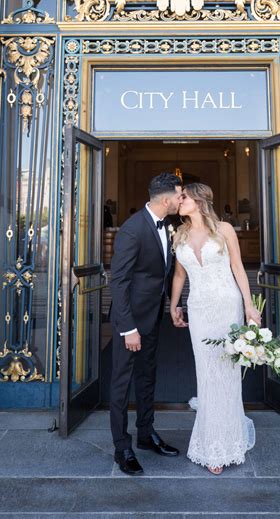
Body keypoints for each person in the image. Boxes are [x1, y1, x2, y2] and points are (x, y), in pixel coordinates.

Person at [170, 182, 261, 475]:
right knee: (206, 373)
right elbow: (179, 275)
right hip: (198, 308)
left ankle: (223, 444)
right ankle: (210, 440)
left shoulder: (224, 230)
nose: (178, 201)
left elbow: (237, 267)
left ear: (197, 200)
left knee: (226, 372)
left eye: (182, 197)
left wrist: (249, 306)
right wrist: (174, 306)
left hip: (226, 305)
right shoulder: (180, 233)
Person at [109, 172, 184, 475]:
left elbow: (160, 274)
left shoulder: (169, 226)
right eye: (180, 196)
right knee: (121, 383)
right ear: (166, 199)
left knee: (147, 377)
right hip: (129, 322)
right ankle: (121, 447)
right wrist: (128, 329)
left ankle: (146, 434)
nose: (182, 200)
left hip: (153, 317)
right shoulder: (132, 229)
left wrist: (170, 305)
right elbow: (119, 281)